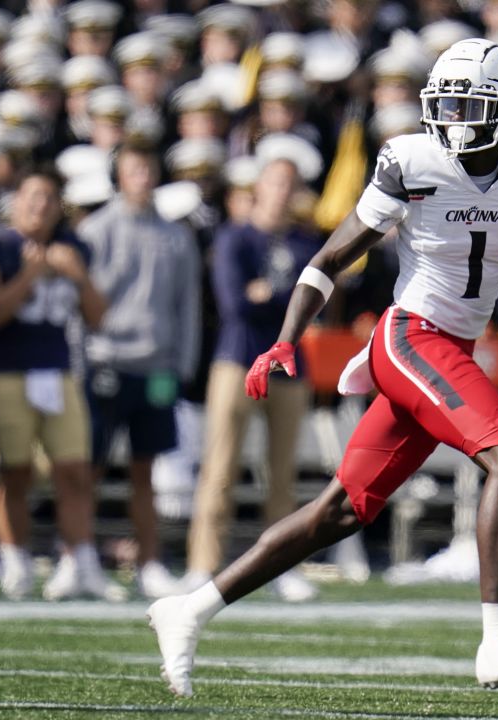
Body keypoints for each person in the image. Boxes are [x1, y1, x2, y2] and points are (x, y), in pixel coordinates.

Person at [147, 39, 498, 696]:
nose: (458, 119)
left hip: (450, 350)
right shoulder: (411, 160)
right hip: (410, 338)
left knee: (341, 512)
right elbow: (327, 261)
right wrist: (287, 339)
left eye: (472, 105)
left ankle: (191, 608)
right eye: (450, 104)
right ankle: (496, 639)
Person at [0, 168, 117, 601]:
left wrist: (78, 277)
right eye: (32, 195)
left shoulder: (73, 247)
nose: (40, 205)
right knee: (16, 472)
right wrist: (30, 275)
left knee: (75, 471)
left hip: (58, 370)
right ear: (16, 200)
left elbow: (99, 317)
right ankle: (16, 562)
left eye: (49, 198)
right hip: (6, 370)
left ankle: (79, 563)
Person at [183, 158, 322, 602]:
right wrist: (281, 301)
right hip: (238, 361)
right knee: (219, 469)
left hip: (289, 366)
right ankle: (202, 564)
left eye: (289, 183)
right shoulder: (235, 236)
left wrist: (268, 295)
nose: (282, 191)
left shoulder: (305, 242)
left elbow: (315, 303)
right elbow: (234, 303)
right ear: (259, 186)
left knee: (281, 475)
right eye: (275, 182)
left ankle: (281, 567)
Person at [77, 142, 202, 599]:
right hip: (104, 362)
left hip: (157, 367)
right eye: (133, 169)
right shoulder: (94, 230)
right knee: (87, 469)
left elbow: (187, 305)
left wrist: (182, 364)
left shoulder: (176, 236)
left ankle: (150, 562)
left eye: (149, 167)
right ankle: (81, 557)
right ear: (118, 175)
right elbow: (80, 302)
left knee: (145, 471)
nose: (143, 176)